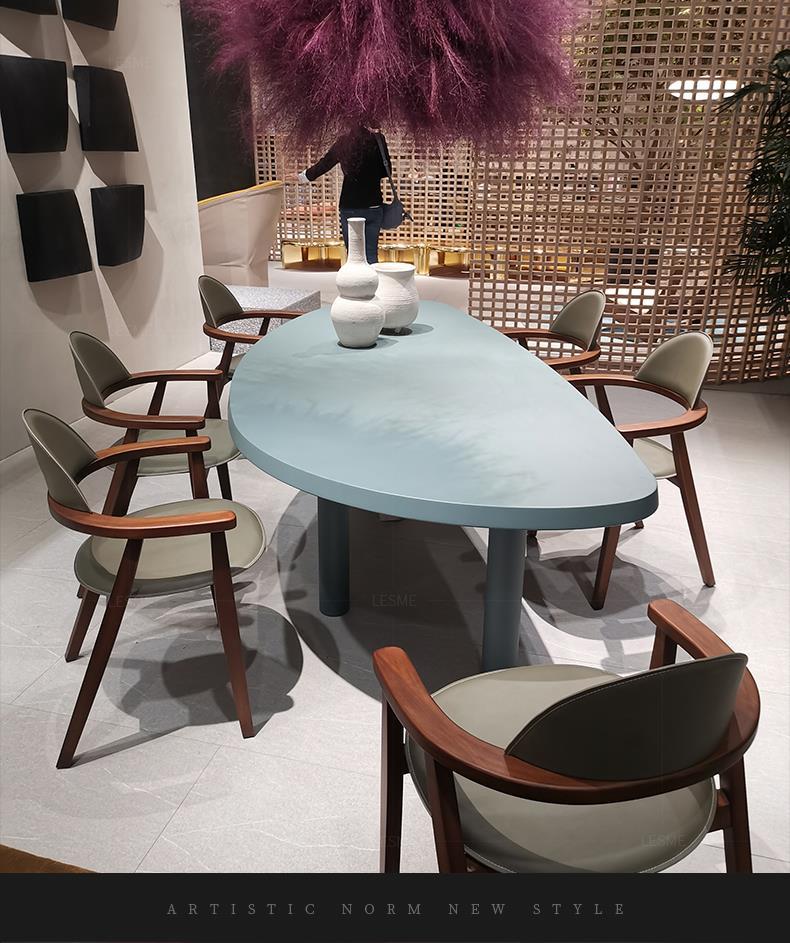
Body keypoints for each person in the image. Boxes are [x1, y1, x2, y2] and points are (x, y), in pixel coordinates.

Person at [294, 125, 390, 264]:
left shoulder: (344, 142)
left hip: (350, 205)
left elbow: (325, 164)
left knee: (354, 255)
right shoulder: (378, 140)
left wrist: (302, 177)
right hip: (373, 204)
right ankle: (372, 278)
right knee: (371, 255)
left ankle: (355, 278)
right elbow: (386, 172)